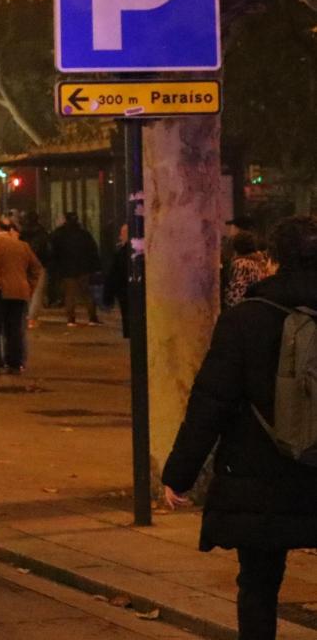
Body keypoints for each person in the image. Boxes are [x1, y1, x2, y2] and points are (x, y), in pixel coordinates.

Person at [162, 215, 317, 640]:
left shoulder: (245, 319)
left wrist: (179, 474)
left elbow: (210, 402)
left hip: (258, 473)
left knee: (258, 584)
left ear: (271, 258)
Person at [0, 219, 44, 375]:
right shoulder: (23, 245)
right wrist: (29, 286)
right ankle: (15, 362)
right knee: (14, 328)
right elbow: (36, 268)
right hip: (20, 292)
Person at [48, 212, 102, 326]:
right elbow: (93, 250)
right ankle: (92, 318)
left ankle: (71, 319)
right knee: (87, 293)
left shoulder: (60, 234)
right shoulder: (84, 234)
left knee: (69, 294)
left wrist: (56, 268)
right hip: (84, 267)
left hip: (67, 268)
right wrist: (95, 266)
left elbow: (53, 251)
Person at [224, 232, 275, 309]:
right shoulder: (260, 263)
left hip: (241, 308)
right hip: (257, 305)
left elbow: (237, 292)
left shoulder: (240, 264)